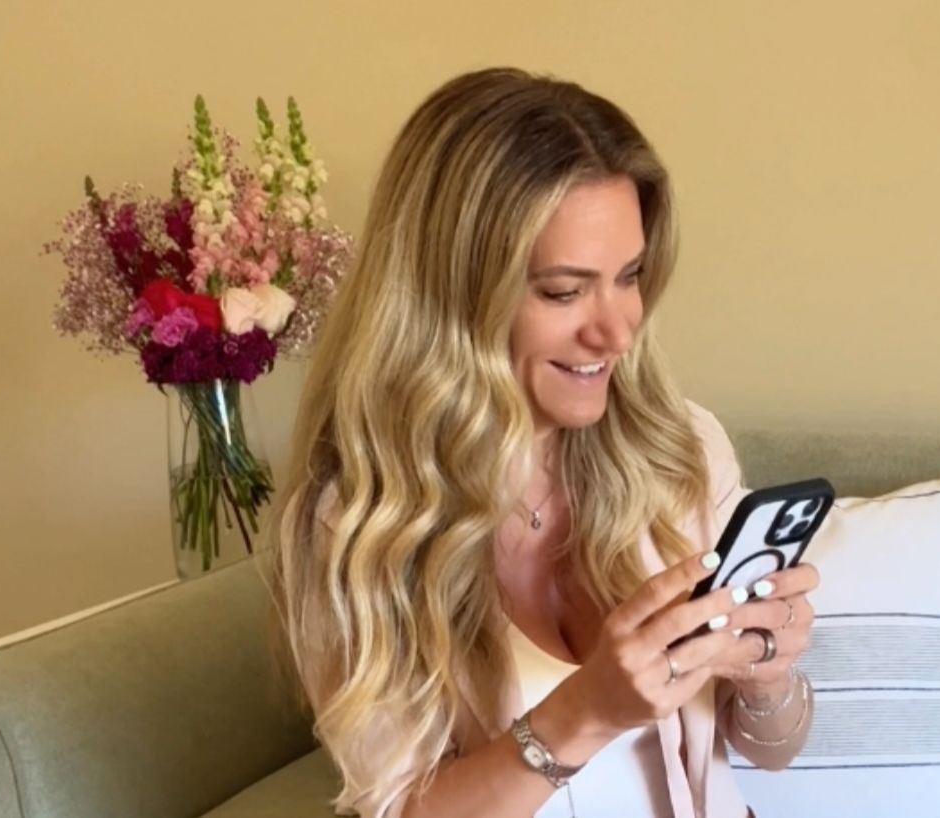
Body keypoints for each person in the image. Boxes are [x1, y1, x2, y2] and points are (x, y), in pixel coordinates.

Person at [267, 66, 821, 818]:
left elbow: (774, 750)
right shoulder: (356, 522)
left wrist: (767, 678)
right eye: (564, 291)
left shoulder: (678, 449)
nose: (616, 331)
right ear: (452, 296)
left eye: (629, 276)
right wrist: (586, 710)